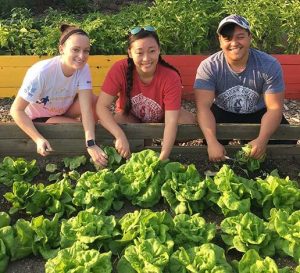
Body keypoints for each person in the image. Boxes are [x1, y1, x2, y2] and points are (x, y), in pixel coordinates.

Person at [194, 14, 289, 162]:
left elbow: (274, 108)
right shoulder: (209, 66)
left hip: (258, 112)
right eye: (227, 38)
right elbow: (203, 108)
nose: (234, 43)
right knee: (211, 152)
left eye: (240, 36)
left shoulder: (269, 65)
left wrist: (262, 139)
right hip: (223, 111)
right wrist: (212, 142)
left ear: (250, 37)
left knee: (285, 144)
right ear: (220, 41)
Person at [10, 24, 108, 167]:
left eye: (86, 51)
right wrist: (38, 139)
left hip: (63, 110)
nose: (81, 56)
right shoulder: (41, 73)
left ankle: (90, 138)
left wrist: (91, 143)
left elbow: (86, 108)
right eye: (75, 50)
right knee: (79, 130)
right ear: (61, 48)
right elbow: (16, 110)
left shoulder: (83, 68)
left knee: (94, 101)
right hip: (40, 118)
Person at [96, 26, 195, 160]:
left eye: (152, 51)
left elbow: (171, 122)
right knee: (116, 123)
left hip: (163, 120)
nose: (146, 58)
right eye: (139, 52)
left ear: (159, 50)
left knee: (188, 123)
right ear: (130, 53)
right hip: (131, 117)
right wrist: (119, 135)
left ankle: (161, 144)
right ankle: (142, 143)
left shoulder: (171, 77)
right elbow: (101, 106)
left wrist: (162, 158)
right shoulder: (120, 69)